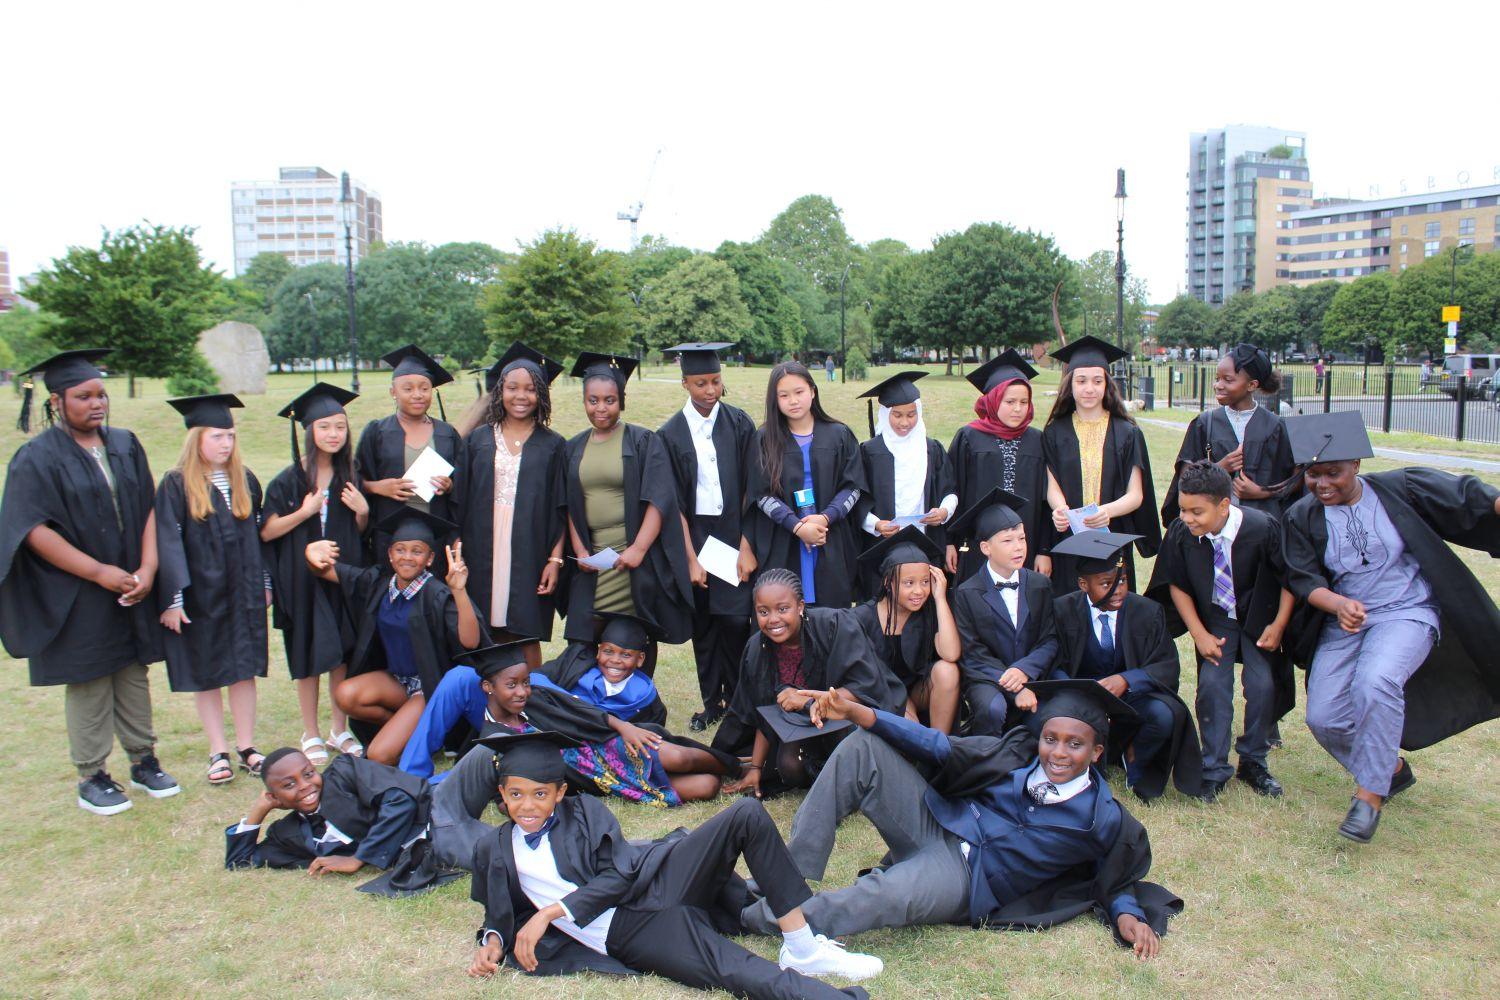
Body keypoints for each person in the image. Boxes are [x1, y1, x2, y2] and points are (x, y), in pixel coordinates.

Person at [738, 680, 1181, 958]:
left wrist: (1127, 916)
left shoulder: (1101, 819)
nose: (1058, 754)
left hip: (966, 878)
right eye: (1050, 739)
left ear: (1097, 753)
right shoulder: (1015, 756)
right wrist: (860, 715)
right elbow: (937, 746)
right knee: (862, 748)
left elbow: (1115, 876)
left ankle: (749, 916)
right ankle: (786, 877)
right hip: (940, 822)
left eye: (1074, 745)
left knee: (881, 894)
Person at [466, 730, 882, 995]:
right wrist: (493, 942)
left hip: (655, 883)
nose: (527, 804)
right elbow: (501, 912)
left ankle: (803, 947)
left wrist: (553, 913)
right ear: (502, 794)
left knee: (746, 815)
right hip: (630, 932)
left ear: (559, 793)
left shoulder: (585, 813)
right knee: (732, 970)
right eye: (516, 794)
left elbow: (621, 873)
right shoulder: (494, 848)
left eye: (540, 794)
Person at [1280, 411, 1500, 843]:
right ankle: (1391, 770)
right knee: (1324, 718)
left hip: (1407, 609)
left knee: (1376, 681)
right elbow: (1302, 578)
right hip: (1346, 619)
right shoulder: (1302, 516)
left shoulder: (1401, 489)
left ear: (1357, 464)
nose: (1323, 484)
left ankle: (1369, 797)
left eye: (1334, 473)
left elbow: (1464, 495)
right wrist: (1339, 603)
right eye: (1313, 474)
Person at [0, 349, 176, 814]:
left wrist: (148, 568)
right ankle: (92, 774)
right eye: (83, 396)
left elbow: (150, 507)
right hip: (76, 587)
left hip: (132, 577)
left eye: (101, 394)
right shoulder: (36, 457)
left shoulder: (124, 443)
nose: (97, 403)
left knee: (132, 669)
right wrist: (99, 573)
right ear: (57, 401)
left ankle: (144, 759)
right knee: (90, 676)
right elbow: (31, 528)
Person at [1146, 462, 1294, 802]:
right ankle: (1213, 768)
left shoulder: (1262, 527)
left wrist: (1279, 625)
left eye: (1197, 511)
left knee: (1262, 686)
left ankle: (1254, 761)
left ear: (1224, 505)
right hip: (1216, 618)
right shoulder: (1183, 533)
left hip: (1260, 617)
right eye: (1183, 509)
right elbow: (1176, 585)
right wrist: (1198, 633)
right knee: (1212, 687)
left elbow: (1289, 579)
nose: (1188, 518)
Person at [303, 508, 482, 765]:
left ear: (429, 558)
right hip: (396, 683)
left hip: (428, 689)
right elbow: (325, 571)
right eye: (400, 549)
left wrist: (460, 591)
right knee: (345, 695)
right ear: (390, 554)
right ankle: (414, 733)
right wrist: (311, 553)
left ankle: (418, 729)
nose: (407, 557)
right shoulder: (378, 583)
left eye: (417, 551)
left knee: (378, 755)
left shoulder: (438, 595)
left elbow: (471, 641)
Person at [156, 394, 270, 784]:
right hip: (200, 595)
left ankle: (247, 747)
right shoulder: (176, 484)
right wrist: (173, 600)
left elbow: (260, 539)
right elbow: (167, 542)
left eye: (231, 437)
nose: (226, 444)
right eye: (217, 436)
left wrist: (266, 584)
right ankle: (217, 749)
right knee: (207, 672)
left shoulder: (245, 479)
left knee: (244, 669)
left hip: (243, 591)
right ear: (196, 438)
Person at [713, 569, 904, 796]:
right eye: (763, 611)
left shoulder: (835, 625)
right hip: (801, 727)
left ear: (801, 606)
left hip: (848, 717)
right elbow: (764, 711)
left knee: (845, 740)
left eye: (783, 609)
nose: (773, 619)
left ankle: (853, 779)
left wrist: (814, 699)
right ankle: (828, 777)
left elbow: (866, 683)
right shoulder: (758, 649)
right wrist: (756, 768)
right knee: (788, 766)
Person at [1048, 532, 1202, 802]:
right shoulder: (1062, 610)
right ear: (1084, 584)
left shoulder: (1148, 611)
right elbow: (1053, 662)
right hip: (1081, 697)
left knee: (1165, 714)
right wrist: (1079, 692)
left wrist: (1128, 680)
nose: (1118, 589)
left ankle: (1135, 759)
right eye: (1107, 583)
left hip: (1132, 698)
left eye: (1122, 581)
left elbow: (1166, 664)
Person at [261, 382, 369, 763]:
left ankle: (339, 730)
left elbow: (357, 535)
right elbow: (268, 530)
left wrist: (363, 511)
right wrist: (304, 513)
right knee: (306, 655)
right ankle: (310, 733)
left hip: (339, 578)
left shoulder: (350, 474)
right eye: (324, 427)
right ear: (308, 431)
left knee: (342, 653)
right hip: (300, 581)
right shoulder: (288, 480)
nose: (333, 434)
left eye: (340, 427)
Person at [657, 342, 758, 730]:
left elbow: (754, 488)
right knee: (704, 625)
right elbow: (673, 504)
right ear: (684, 383)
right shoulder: (669, 434)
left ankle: (736, 698)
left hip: (734, 534)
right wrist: (689, 558)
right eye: (701, 383)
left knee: (734, 622)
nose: (710, 390)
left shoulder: (739, 424)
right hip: (695, 536)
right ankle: (710, 702)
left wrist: (747, 545)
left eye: (716, 381)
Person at [560, 352, 692, 644]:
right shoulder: (573, 448)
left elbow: (660, 499)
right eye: (593, 400)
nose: (601, 408)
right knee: (583, 648)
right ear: (584, 401)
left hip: (632, 563)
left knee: (633, 645)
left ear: (622, 400)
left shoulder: (643, 441)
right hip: (593, 565)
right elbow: (570, 504)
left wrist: (639, 549)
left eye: (610, 400)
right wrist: (580, 551)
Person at [224, 745, 463, 898]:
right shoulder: (287, 833)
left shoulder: (343, 772)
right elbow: (240, 861)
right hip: (431, 849)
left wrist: (359, 858)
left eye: (308, 774)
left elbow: (400, 801)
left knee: (483, 758)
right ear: (276, 797)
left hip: (436, 812)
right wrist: (259, 810)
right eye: (289, 785)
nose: (305, 785)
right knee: (487, 855)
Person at [457, 342, 568, 667]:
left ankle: (533, 708)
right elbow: (459, 500)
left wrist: (555, 560)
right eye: (512, 388)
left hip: (529, 547)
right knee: (481, 627)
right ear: (499, 391)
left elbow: (560, 508)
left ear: (542, 395)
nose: (521, 396)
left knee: (524, 632)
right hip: (481, 546)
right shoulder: (477, 441)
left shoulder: (553, 445)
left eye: (531, 389)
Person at [1042, 335, 1160, 595]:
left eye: (1097, 381)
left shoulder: (1127, 433)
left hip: (1112, 535)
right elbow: (1051, 485)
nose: (1089, 388)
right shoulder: (1054, 432)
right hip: (1069, 537)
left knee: (1112, 600)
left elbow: (1136, 494)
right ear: (1069, 385)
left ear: (1107, 384)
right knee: (1070, 605)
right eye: (1081, 381)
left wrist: (1105, 512)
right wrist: (1061, 510)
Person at [746, 361, 866, 609]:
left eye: (799, 392)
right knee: (785, 612)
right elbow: (762, 494)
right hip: (784, 539)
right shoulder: (764, 439)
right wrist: (797, 526)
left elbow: (853, 486)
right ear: (774, 399)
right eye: (784, 395)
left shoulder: (839, 434)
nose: (793, 400)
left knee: (831, 618)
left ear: (812, 391)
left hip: (829, 537)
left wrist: (825, 518)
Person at [945, 487, 1058, 737]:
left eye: (1022, 538)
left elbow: (1049, 639)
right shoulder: (967, 592)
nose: (1018, 547)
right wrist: (1013, 684)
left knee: (1049, 718)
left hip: (1033, 675)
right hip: (988, 678)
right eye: (1007, 541)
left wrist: (1024, 671)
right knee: (992, 709)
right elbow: (973, 652)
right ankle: (989, 762)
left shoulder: (1040, 585)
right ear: (986, 548)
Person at [355, 344, 464, 573]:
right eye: (408, 388)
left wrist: (450, 485)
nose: (417, 394)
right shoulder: (377, 432)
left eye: (424, 388)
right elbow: (354, 481)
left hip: (436, 535)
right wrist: (377, 487)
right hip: (391, 536)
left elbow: (464, 482)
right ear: (393, 392)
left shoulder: (447, 433)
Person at [1161, 343, 1297, 526]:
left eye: (1228, 380)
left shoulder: (1275, 426)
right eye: (1217, 378)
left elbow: (1294, 479)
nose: (1218, 385)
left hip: (1263, 527)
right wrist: (1219, 468)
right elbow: (1185, 478)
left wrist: (1261, 492)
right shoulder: (1204, 423)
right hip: (1212, 525)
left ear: (1251, 385)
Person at [943, 349, 1050, 581]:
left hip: (1026, 545)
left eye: (1024, 402)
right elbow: (953, 491)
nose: (1018, 408)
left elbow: (1045, 501)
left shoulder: (1037, 440)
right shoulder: (969, 437)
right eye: (1009, 401)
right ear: (992, 400)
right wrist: (950, 542)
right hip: (977, 542)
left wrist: (1044, 550)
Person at [852, 370, 953, 599]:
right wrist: (876, 525)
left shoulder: (931, 448)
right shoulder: (869, 451)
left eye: (911, 414)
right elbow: (856, 496)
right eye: (897, 415)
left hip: (925, 544)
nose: (905, 422)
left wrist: (944, 511)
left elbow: (950, 489)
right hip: (881, 546)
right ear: (885, 413)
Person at [850, 527, 961, 733]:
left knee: (948, 671)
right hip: (878, 691)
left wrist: (939, 598)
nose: (919, 591)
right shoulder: (862, 618)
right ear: (888, 583)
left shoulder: (930, 610)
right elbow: (860, 678)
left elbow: (951, 653)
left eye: (925, 582)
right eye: (909, 583)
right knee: (909, 728)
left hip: (919, 690)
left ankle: (939, 749)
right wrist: (903, 704)